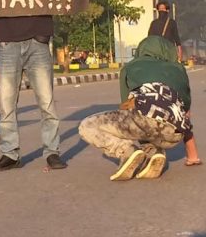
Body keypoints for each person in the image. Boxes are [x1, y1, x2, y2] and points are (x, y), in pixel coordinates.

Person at [79, 35, 200, 180]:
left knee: (87, 126)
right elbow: (185, 113)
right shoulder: (179, 69)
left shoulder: (130, 67)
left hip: (145, 120)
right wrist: (192, 155)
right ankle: (154, 152)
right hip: (174, 134)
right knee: (150, 116)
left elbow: (127, 107)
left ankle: (126, 151)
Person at [0, 15, 67, 171]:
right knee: (7, 105)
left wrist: (43, 36)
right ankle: (10, 153)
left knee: (47, 103)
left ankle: (52, 151)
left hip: (38, 40)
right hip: (7, 40)